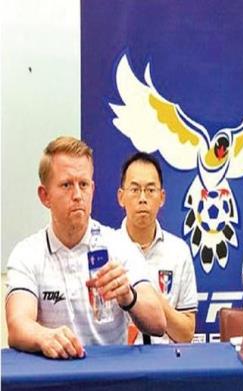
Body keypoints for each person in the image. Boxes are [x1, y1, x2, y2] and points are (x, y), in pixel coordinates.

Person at [5, 136, 166, 359]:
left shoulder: (119, 245)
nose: (78, 195)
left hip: (110, 376)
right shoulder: (27, 253)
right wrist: (44, 336)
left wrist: (129, 296)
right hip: (53, 374)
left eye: (83, 185)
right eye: (66, 185)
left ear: (92, 188)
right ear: (45, 196)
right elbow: (17, 325)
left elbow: (158, 323)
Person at [117, 152, 197, 343]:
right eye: (135, 189)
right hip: (118, 358)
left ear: (162, 198)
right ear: (121, 197)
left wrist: (152, 298)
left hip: (165, 359)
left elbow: (186, 335)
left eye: (150, 190)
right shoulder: (107, 250)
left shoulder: (178, 251)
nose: (142, 198)